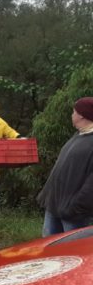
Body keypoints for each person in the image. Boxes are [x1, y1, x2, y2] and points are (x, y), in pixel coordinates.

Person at [36, 97, 93, 236]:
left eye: (74, 112)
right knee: (49, 251)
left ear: (82, 115)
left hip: (73, 213)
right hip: (54, 206)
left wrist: (76, 207)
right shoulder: (77, 136)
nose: (71, 115)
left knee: (71, 254)